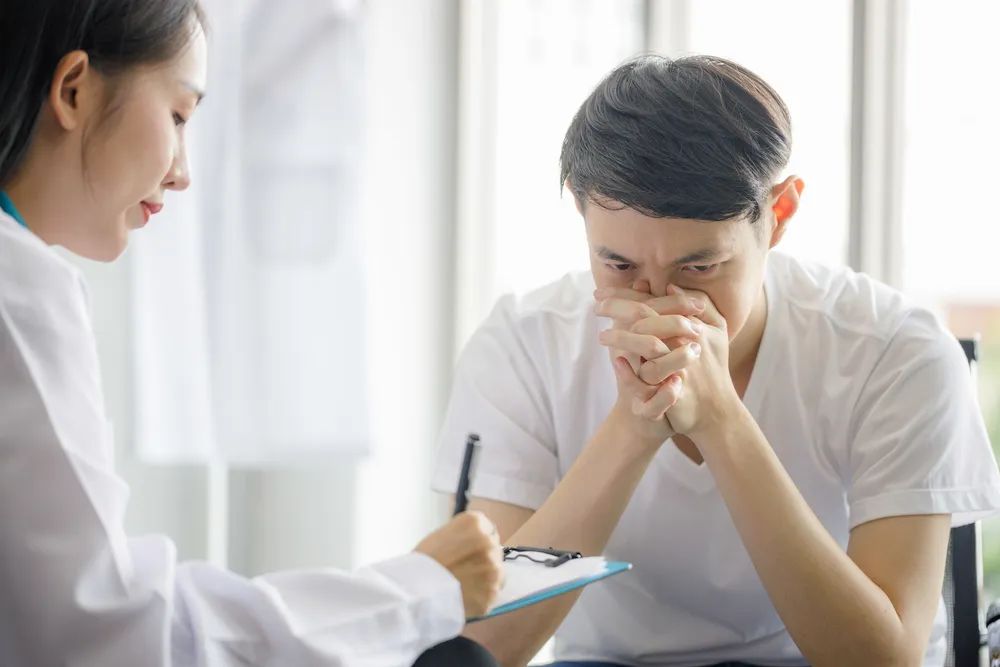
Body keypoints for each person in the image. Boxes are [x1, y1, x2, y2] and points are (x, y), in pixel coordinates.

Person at [431, 54, 1000, 667]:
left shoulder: (894, 350)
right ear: (580, 211)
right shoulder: (523, 344)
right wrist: (632, 430)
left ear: (779, 215)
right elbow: (482, 648)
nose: (657, 300)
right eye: (618, 264)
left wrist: (722, 421)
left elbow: (885, 660)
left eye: (700, 267)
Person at [0, 2, 502, 665]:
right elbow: (111, 634)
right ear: (73, 90)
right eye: (178, 115)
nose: (182, 173)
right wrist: (417, 591)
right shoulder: (21, 290)